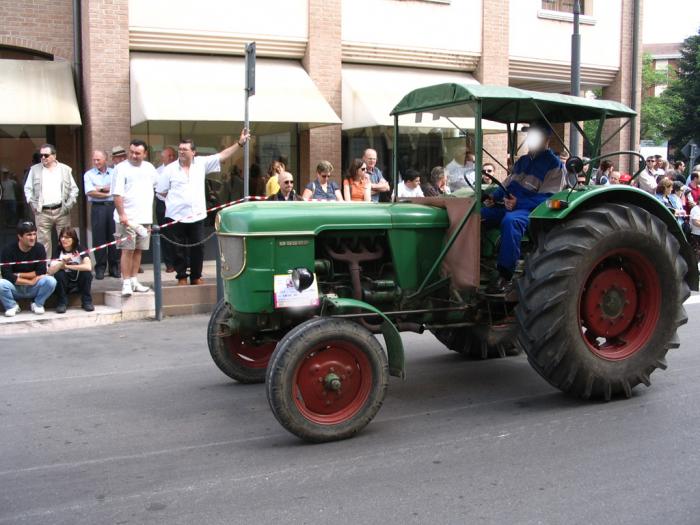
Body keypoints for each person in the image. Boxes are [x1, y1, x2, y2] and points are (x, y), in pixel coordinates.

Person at [156, 129, 250, 286]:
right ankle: (181, 277)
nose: (181, 152)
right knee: (178, 248)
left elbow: (223, 155)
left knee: (198, 247)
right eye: (179, 149)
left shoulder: (201, 163)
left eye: (185, 149)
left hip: (197, 215)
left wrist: (239, 143)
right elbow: (161, 192)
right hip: (175, 216)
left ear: (193, 152)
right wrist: (176, 202)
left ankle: (196, 276)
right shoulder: (169, 169)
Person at [482, 120, 565, 294]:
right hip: (508, 205)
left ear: (546, 139)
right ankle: (474, 262)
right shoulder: (522, 161)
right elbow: (507, 183)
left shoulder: (554, 165)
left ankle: (505, 274)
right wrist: (492, 197)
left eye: (535, 135)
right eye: (529, 135)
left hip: (530, 210)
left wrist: (519, 203)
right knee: (477, 215)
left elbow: (548, 199)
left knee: (511, 221)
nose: (531, 138)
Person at [113, 139, 158, 296]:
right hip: (127, 218)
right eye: (131, 152)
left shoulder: (150, 168)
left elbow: (157, 187)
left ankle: (134, 280)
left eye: (137, 153)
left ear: (144, 154)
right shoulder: (120, 168)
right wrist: (122, 214)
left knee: (139, 250)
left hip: (144, 217)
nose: (133, 155)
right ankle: (125, 282)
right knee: (127, 250)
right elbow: (117, 194)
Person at [23, 144, 79, 259]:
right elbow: (28, 189)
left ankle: (65, 267)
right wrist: (33, 204)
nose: (43, 157)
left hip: (61, 210)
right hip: (42, 211)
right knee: (43, 243)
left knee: (66, 240)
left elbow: (74, 189)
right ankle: (46, 269)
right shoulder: (34, 170)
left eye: (46, 155)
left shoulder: (65, 169)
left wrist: (68, 205)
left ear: (54, 156)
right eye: (41, 155)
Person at [0, 220, 56, 316]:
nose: (33, 238)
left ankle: (38, 304)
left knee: (51, 281)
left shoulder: (39, 248)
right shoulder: (8, 250)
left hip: (33, 286)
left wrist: (19, 274)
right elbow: (7, 275)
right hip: (16, 287)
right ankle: (12, 306)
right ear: (20, 236)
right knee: (1, 284)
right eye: (29, 235)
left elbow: (41, 271)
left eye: (34, 234)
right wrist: (30, 281)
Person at [84, 150, 119, 279]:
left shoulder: (115, 173)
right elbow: (90, 192)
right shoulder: (89, 174)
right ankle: (100, 267)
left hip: (113, 208)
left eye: (98, 160)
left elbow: (117, 188)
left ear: (106, 159)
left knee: (115, 237)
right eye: (94, 160)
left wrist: (100, 188)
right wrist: (108, 191)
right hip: (98, 208)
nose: (96, 162)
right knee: (99, 238)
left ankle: (114, 267)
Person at [47, 227, 94, 313]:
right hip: (64, 282)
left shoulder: (79, 248)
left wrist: (67, 266)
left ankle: (87, 301)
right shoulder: (58, 250)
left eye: (67, 237)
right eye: (62, 237)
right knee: (59, 274)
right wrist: (62, 263)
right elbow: (50, 271)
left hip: (78, 281)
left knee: (87, 274)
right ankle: (62, 302)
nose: (64, 239)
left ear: (73, 239)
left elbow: (88, 267)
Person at [155, 146, 177, 273]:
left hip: (177, 205)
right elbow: (159, 190)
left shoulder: (180, 169)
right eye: (169, 156)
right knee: (165, 234)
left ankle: (181, 261)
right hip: (163, 205)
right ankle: (169, 264)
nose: (172, 158)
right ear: (162, 157)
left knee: (178, 234)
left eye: (173, 155)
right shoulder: (158, 172)